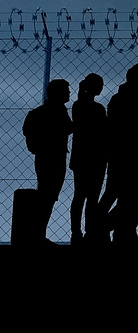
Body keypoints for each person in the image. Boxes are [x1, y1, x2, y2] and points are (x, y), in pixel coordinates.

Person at [102, 63, 138, 243]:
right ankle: (103, 227)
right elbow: (124, 130)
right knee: (121, 193)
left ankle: (121, 230)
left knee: (133, 195)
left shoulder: (131, 98)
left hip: (131, 153)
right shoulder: (126, 99)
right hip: (125, 154)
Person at [24, 79, 72, 241]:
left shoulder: (42, 112)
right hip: (54, 157)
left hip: (46, 157)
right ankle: (38, 233)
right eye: (66, 90)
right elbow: (68, 128)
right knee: (48, 195)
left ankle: (38, 233)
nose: (69, 93)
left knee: (47, 194)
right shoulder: (57, 112)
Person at [69, 73, 107, 243]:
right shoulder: (96, 109)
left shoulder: (79, 106)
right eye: (99, 85)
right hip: (95, 156)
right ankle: (87, 231)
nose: (101, 88)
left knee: (81, 195)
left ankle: (78, 232)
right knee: (91, 197)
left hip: (83, 156)